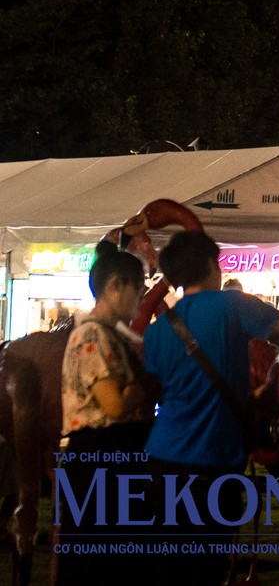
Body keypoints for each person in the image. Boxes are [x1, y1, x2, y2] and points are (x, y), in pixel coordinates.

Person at [144, 230, 279, 585]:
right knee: (208, 565)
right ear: (209, 264)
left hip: (162, 463)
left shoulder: (158, 331)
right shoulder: (234, 305)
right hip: (214, 465)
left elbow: (157, 391)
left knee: (167, 568)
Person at [58, 243, 155, 582]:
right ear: (115, 286)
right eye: (137, 289)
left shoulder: (111, 335)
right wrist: (140, 389)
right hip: (100, 459)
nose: (141, 298)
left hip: (110, 458)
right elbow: (113, 404)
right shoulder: (91, 335)